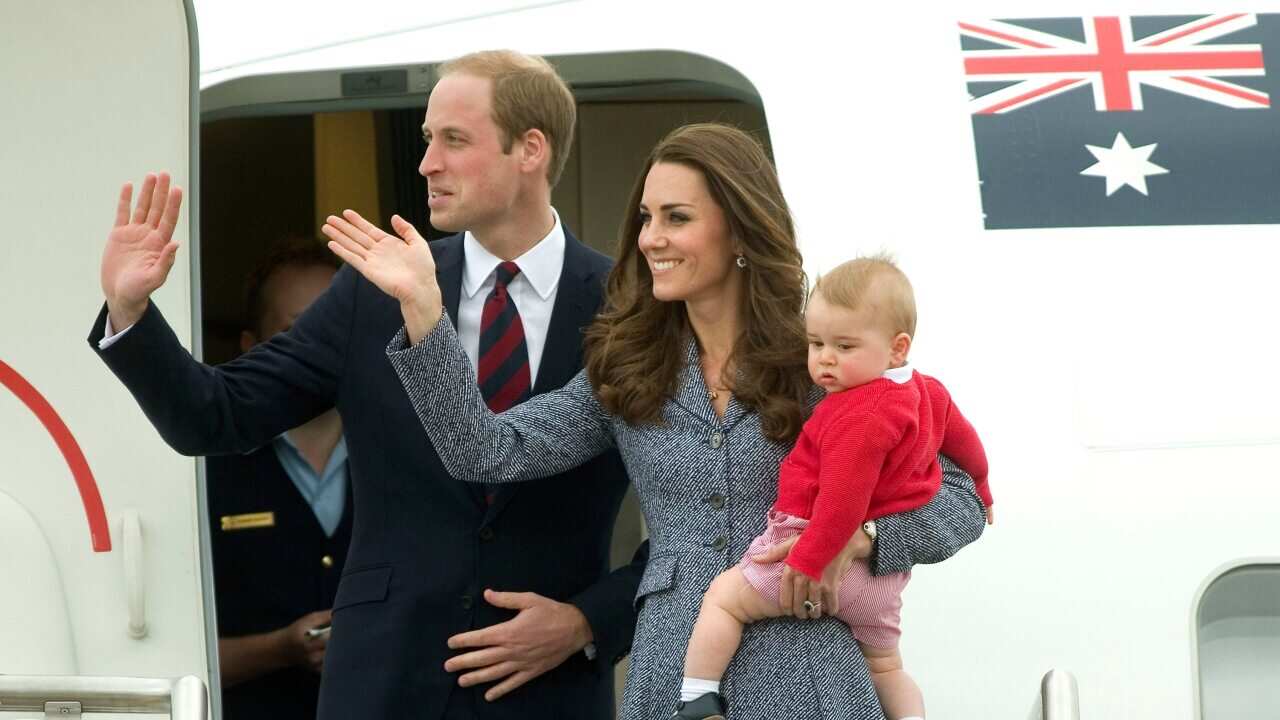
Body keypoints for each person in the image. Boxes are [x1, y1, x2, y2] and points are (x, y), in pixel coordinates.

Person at [325, 122, 988, 719]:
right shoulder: (629, 366)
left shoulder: (826, 357)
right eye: (646, 217)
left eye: (676, 217)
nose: (651, 239)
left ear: (738, 230)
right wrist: (422, 311)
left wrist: (863, 538)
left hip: (811, 673)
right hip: (673, 678)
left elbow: (960, 501)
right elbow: (487, 451)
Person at [89, 50, 647, 720]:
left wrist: (587, 623)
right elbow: (214, 417)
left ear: (529, 150)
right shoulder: (370, 294)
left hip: (550, 695)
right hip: (383, 686)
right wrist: (131, 313)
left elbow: (699, 526)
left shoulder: (630, 309)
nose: (426, 164)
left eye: (454, 140)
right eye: (424, 140)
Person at [673, 256, 994, 720]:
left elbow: (844, 500)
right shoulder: (928, 391)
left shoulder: (856, 414)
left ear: (897, 348)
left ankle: (698, 696)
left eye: (844, 346)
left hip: (810, 552)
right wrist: (983, 486)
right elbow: (964, 441)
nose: (825, 359)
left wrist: (807, 561)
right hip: (883, 582)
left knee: (724, 600)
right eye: (816, 342)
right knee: (885, 667)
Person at [208, 242, 350, 720]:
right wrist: (280, 649)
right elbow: (169, 656)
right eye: (293, 333)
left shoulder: (406, 455)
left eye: (334, 331)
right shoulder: (205, 471)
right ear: (250, 347)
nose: (318, 352)